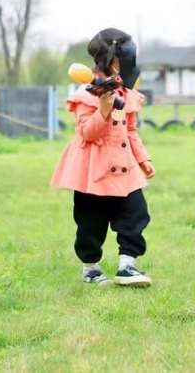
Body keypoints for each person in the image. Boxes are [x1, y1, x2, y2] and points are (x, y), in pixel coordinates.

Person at [50, 28, 156, 287]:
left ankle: (127, 266)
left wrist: (143, 159)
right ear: (111, 60)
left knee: (136, 214)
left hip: (124, 168)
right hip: (93, 171)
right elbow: (86, 132)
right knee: (91, 223)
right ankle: (91, 269)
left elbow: (130, 130)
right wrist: (103, 110)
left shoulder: (127, 94)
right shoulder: (87, 93)